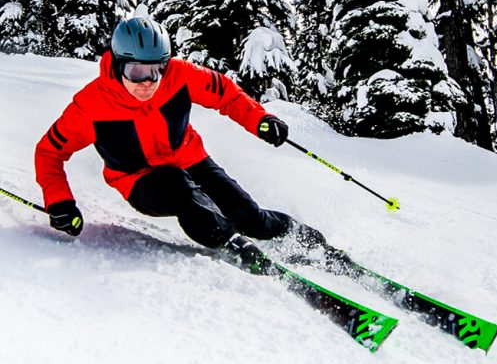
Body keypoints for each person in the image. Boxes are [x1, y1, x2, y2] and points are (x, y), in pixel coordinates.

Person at [35, 17, 349, 275]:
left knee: (249, 216)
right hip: (139, 180)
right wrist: (59, 201)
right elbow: (49, 153)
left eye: (157, 69)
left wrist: (260, 119)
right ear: (117, 65)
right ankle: (237, 247)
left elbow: (225, 93)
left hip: (189, 157)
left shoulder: (179, 76)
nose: (148, 81)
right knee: (183, 194)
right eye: (137, 72)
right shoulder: (90, 106)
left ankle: (317, 246)